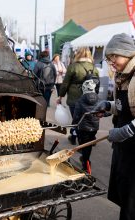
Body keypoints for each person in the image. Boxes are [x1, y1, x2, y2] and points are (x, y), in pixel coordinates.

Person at [94, 33, 135, 220]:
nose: (112, 63)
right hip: (123, 147)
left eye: (114, 58)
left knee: (132, 201)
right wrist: (109, 106)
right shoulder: (122, 75)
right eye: (109, 60)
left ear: (127, 53)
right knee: (123, 192)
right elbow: (125, 106)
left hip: (133, 147)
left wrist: (126, 131)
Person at [57, 47, 99, 145]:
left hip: (74, 98)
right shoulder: (94, 68)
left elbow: (65, 83)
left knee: (76, 120)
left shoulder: (73, 66)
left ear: (78, 54)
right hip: (90, 99)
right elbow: (97, 84)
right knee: (86, 119)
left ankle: (76, 136)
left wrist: (60, 96)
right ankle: (88, 138)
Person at [72, 79, 100, 173]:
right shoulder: (98, 99)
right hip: (94, 127)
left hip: (83, 127)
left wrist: (74, 124)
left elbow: (76, 115)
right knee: (89, 145)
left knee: (84, 145)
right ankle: (85, 159)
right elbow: (106, 111)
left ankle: (86, 164)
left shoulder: (80, 100)